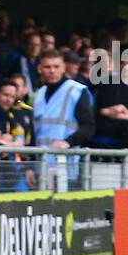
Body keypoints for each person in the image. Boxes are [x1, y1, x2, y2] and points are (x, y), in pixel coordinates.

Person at [32, 49, 94, 187]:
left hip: (66, 166)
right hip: (41, 166)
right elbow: (35, 133)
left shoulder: (76, 91)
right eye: (47, 67)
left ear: (64, 68)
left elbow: (88, 127)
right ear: (40, 69)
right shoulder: (39, 95)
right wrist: (29, 166)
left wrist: (68, 142)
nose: (52, 71)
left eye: (56, 66)